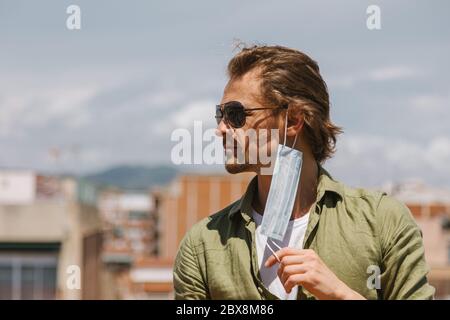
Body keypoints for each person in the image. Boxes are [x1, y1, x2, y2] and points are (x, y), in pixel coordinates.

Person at [173, 45, 435, 300]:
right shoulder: (203, 246)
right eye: (220, 114)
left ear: (294, 120)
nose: (220, 129)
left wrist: (340, 295)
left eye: (235, 114)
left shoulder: (381, 223)